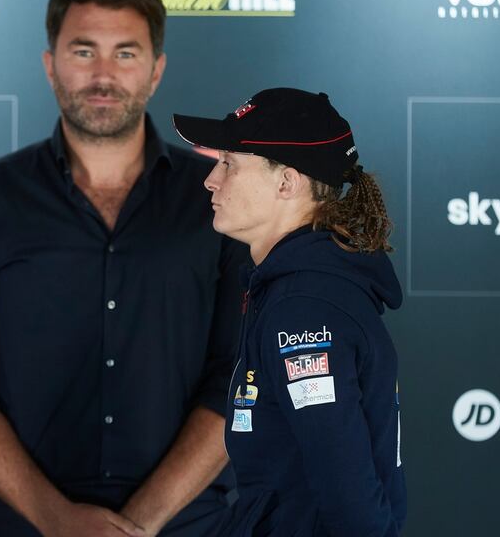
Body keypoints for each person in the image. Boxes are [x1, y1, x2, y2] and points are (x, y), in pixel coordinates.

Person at [0, 0, 250, 537]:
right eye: (83, 51)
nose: (103, 75)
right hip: (21, 527)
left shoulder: (221, 202)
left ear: (156, 70)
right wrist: (57, 520)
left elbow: (241, 377)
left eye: (126, 53)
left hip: (186, 527)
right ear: (51, 66)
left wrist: (136, 526)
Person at [173, 87, 407, 536]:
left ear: (286, 183)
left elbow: (351, 499)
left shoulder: (304, 310)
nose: (211, 180)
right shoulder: (294, 289)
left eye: (230, 164)